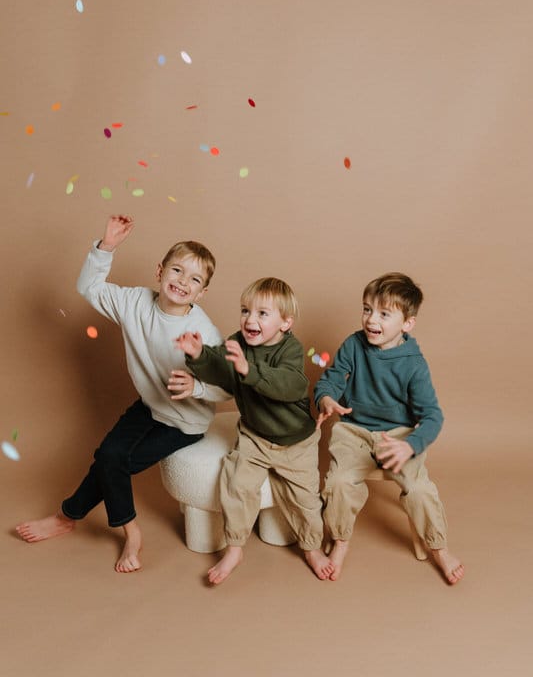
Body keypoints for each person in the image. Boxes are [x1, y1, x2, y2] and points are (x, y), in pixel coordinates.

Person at [16, 214, 228, 573]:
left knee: (111, 459)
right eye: (177, 271)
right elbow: (89, 288)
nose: (182, 282)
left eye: (194, 280)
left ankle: (120, 531)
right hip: (149, 407)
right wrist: (107, 247)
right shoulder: (135, 302)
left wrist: (197, 385)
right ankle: (71, 518)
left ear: (202, 292)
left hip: (184, 421)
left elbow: (227, 387)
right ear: (159, 271)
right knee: (109, 456)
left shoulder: (203, 330)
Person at [172, 277, 332, 584]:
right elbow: (219, 366)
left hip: (295, 441)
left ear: (286, 322)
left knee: (306, 500)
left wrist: (249, 370)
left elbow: (290, 385)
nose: (250, 319)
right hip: (254, 437)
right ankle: (235, 547)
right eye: (246, 311)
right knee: (236, 485)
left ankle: (311, 548)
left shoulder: (291, 350)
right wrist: (198, 355)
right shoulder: (238, 342)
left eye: (262, 313)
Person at [314, 272, 464, 585]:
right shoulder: (353, 345)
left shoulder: (414, 363)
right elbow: (331, 377)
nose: (371, 319)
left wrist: (410, 445)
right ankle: (341, 540)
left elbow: (433, 416)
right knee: (339, 481)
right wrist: (326, 397)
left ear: (407, 323)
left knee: (420, 489)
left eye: (384, 313)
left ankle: (439, 547)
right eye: (367, 309)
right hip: (354, 431)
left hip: (398, 436)